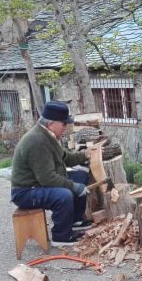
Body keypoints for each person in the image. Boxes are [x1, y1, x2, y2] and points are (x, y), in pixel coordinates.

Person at [10, 101, 93, 246]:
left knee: (81, 176)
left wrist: (84, 155)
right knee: (64, 195)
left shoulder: (48, 135)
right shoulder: (37, 141)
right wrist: (73, 186)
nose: (66, 127)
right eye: (63, 124)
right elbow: (47, 179)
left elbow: (65, 158)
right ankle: (60, 236)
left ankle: (74, 221)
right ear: (51, 124)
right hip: (26, 192)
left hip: (37, 185)